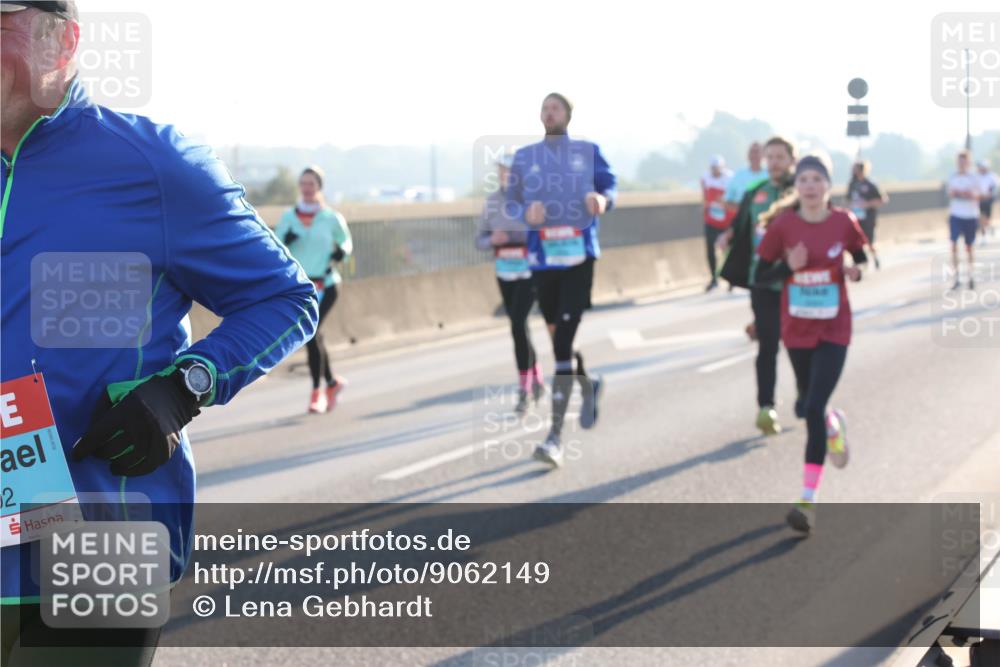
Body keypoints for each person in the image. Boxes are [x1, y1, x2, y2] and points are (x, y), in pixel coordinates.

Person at [1, 3, 318, 664]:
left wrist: (182, 387)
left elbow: (284, 298)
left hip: (101, 540)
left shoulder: (152, 165)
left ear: (63, 41)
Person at [756, 153, 868, 534]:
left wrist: (855, 268)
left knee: (814, 404)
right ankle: (834, 426)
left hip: (835, 327)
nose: (810, 186)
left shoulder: (843, 222)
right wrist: (789, 266)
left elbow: (862, 254)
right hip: (797, 328)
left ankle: (807, 499)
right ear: (797, 186)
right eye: (803, 179)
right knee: (808, 407)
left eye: (817, 180)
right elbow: (760, 274)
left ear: (827, 186)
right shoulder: (783, 226)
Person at [505, 92, 617, 467]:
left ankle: (554, 437)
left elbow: (609, 186)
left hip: (579, 257)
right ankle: (589, 383)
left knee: (562, 346)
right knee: (559, 341)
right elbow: (510, 202)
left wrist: (603, 201)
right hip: (543, 260)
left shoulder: (588, 151)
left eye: (556, 107)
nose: (550, 113)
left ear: (568, 114)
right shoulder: (525, 158)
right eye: (545, 108)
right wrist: (526, 213)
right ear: (540, 116)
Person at [718, 136, 797, 436]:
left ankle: (806, 395)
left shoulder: (801, 192)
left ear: (791, 159)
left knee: (798, 344)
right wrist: (726, 236)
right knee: (768, 343)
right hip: (762, 280)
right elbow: (740, 226)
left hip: (795, 281)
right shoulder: (756, 193)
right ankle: (767, 406)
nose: (774, 162)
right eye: (770, 157)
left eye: (780, 157)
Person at [275, 166, 353, 414]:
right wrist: (285, 240)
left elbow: (346, 242)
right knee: (314, 336)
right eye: (303, 183)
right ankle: (332, 383)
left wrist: (342, 252)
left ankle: (317, 392)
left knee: (312, 333)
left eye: (311, 183)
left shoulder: (331, 218)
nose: (307, 188)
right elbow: (275, 246)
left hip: (327, 284)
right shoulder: (289, 217)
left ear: (319, 187)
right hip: (301, 287)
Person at [476, 155, 545, 414]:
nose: (505, 174)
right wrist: (493, 239)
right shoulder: (492, 202)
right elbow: (479, 240)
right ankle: (536, 378)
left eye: (509, 170)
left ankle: (524, 389)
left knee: (517, 324)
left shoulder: (532, 199)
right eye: (501, 170)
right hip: (504, 271)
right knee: (520, 328)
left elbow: (542, 232)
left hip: (529, 272)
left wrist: (525, 239)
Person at [946, 150, 981, 290]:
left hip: (970, 215)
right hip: (956, 214)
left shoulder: (974, 177)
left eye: (964, 161)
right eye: (959, 161)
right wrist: (955, 193)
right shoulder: (952, 176)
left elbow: (980, 195)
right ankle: (956, 278)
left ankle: (971, 276)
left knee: (969, 248)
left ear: (968, 162)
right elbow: (949, 192)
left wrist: (969, 194)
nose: (961, 164)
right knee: (953, 245)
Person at [845, 159, 887, 269]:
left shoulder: (871, 184)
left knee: (869, 241)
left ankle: (875, 257)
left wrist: (867, 204)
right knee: (856, 240)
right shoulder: (852, 184)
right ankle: (861, 261)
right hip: (855, 218)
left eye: (856, 169)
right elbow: (847, 200)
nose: (853, 171)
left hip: (868, 218)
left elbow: (882, 199)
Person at [701, 155, 734, 291]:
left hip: (727, 220)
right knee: (710, 249)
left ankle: (731, 277)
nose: (715, 171)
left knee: (727, 250)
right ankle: (714, 278)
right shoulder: (705, 178)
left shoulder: (730, 178)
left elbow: (733, 198)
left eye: (717, 168)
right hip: (711, 219)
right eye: (713, 168)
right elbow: (704, 197)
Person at [724, 141, 768, 211]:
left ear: (764, 155)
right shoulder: (739, 175)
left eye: (756, 152)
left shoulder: (769, 175)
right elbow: (727, 200)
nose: (754, 155)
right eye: (751, 152)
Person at [976, 159, 998, 240]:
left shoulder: (992, 176)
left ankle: (990, 227)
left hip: (988, 200)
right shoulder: (977, 176)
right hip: (980, 199)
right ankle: (983, 235)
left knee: (987, 218)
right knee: (981, 217)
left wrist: (991, 194)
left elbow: (996, 187)